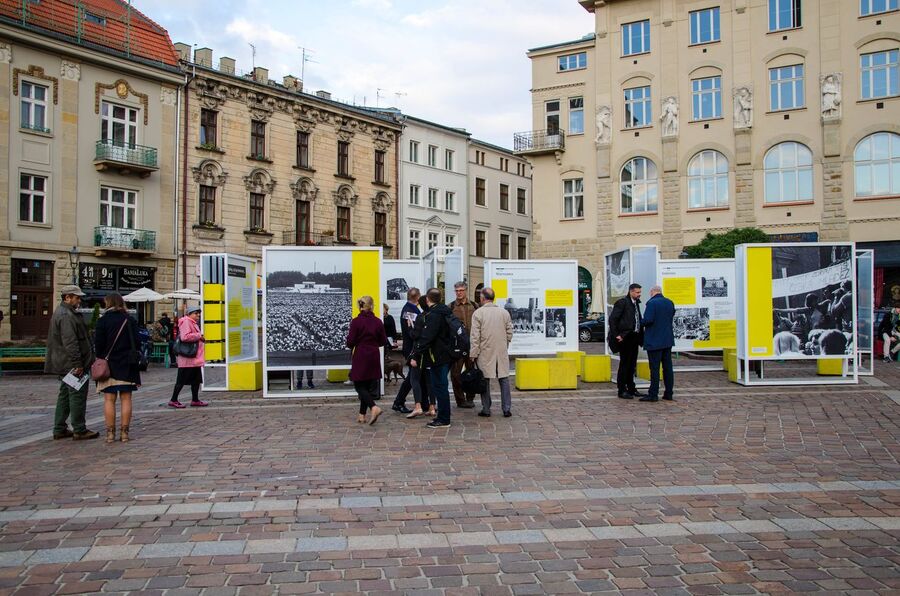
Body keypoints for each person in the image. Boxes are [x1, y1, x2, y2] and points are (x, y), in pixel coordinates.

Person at [46, 285, 98, 441]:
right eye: (76, 297)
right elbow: (70, 343)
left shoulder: (64, 312)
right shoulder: (66, 315)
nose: (79, 300)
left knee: (64, 396)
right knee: (77, 396)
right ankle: (79, 429)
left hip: (65, 363)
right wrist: (78, 364)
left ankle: (59, 428)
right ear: (67, 297)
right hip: (71, 364)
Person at [94, 293, 141, 443]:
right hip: (128, 363)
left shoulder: (103, 321)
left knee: (109, 399)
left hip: (109, 364)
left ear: (107, 303)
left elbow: (98, 345)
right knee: (126, 398)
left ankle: (110, 434)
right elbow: (138, 342)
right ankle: (125, 434)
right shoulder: (129, 319)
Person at [411, 288, 455, 428]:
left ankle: (443, 418)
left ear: (428, 299)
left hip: (437, 356)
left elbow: (427, 337)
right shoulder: (446, 311)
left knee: (440, 387)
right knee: (441, 386)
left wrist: (415, 353)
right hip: (446, 354)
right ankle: (443, 416)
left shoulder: (434, 315)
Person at [469, 287, 513, 417]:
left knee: (485, 380)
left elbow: (475, 336)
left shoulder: (478, 313)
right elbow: (509, 332)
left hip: (485, 350)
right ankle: (506, 408)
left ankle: (486, 408)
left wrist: (473, 353)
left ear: (482, 298)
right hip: (501, 350)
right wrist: (505, 344)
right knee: (504, 379)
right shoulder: (504, 312)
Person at [347, 295, 386, 425]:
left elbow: (350, 341)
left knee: (359, 385)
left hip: (361, 354)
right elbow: (382, 341)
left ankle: (374, 407)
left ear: (360, 306)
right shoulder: (378, 321)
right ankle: (362, 415)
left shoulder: (356, 322)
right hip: (374, 354)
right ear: (372, 305)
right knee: (367, 386)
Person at [392, 288, 428, 416]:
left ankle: (420, 403)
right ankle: (399, 402)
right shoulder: (410, 311)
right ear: (418, 298)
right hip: (412, 349)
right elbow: (413, 332)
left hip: (411, 348)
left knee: (414, 377)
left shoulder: (408, 308)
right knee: (413, 377)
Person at [608, 283, 644, 399]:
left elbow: (637, 318)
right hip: (625, 337)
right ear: (631, 292)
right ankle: (622, 389)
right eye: (637, 292)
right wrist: (617, 335)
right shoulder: (622, 302)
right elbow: (613, 319)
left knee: (632, 364)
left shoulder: (636, 304)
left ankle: (631, 388)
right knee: (625, 364)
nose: (639, 294)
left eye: (640, 292)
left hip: (634, 337)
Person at [169, 306, 209, 408]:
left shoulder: (192, 322)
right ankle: (173, 400)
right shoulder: (186, 321)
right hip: (187, 358)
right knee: (181, 380)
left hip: (194, 358)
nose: (198, 315)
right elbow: (185, 337)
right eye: (196, 313)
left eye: (199, 313)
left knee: (196, 380)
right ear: (189, 314)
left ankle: (195, 400)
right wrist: (199, 335)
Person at [640, 286, 675, 402]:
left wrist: (639, 322)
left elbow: (648, 320)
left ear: (652, 292)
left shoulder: (652, 303)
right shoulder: (669, 302)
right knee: (667, 368)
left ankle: (653, 394)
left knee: (654, 368)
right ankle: (669, 392)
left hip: (654, 340)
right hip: (667, 340)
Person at [448, 281, 478, 408]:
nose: (459, 293)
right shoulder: (450, 307)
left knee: (472, 372)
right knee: (455, 374)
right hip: (457, 346)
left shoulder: (475, 306)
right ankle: (460, 400)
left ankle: (470, 397)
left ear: (466, 291)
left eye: (461, 290)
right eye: (457, 291)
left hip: (472, 344)